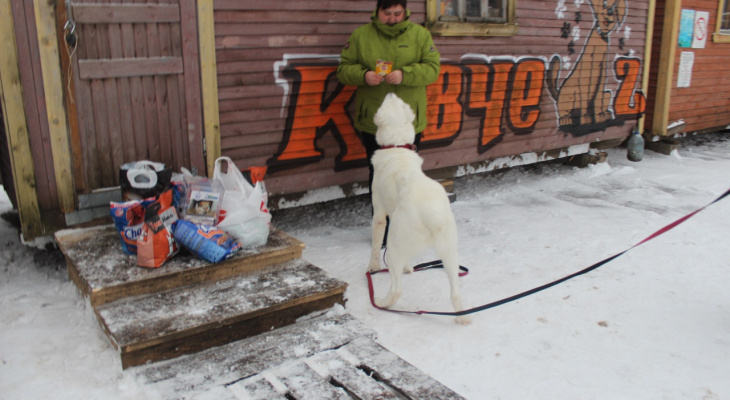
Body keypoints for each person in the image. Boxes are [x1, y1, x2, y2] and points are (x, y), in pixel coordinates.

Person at [337, 0, 440, 193]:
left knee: (407, 172)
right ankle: (382, 221)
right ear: (377, 11)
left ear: (405, 12)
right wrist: (363, 76)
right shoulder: (361, 36)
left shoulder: (420, 35)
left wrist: (405, 75)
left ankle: (406, 218)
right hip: (374, 120)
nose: (392, 18)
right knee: (379, 172)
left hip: (408, 123)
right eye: (387, 13)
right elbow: (343, 70)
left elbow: (432, 69)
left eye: (397, 13)